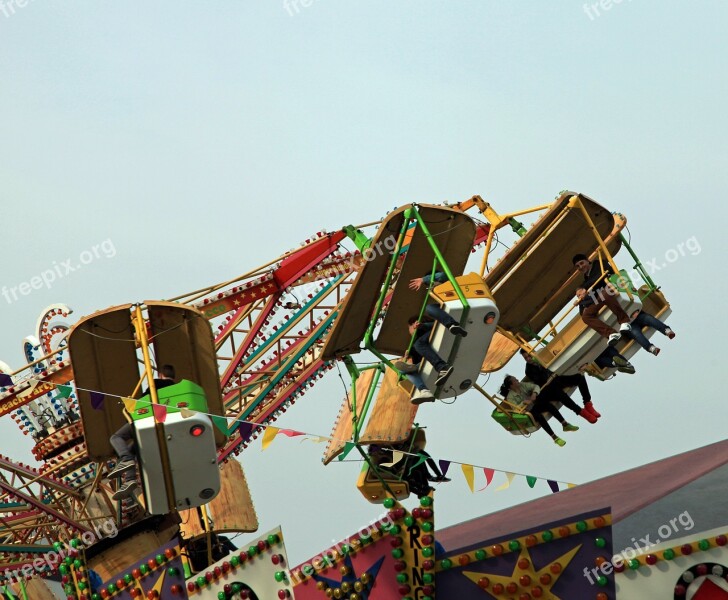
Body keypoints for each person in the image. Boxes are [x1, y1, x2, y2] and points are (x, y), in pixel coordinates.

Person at [108, 364, 176, 500]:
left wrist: (131, 403)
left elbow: (142, 403)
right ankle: (130, 479)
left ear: (160, 375)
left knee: (116, 437)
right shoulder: (177, 389)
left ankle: (126, 461)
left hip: (149, 419)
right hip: (167, 423)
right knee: (132, 449)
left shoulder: (155, 383)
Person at [500, 375, 592, 447]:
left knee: (548, 405)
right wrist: (523, 403)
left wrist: (534, 394)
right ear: (511, 385)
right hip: (527, 412)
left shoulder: (523, 385)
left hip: (534, 405)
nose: (517, 380)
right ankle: (554, 437)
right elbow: (515, 409)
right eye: (515, 380)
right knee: (538, 416)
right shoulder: (510, 397)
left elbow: (535, 386)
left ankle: (565, 424)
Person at [519, 349, 600, 420]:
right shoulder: (529, 370)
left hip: (557, 379)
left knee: (580, 376)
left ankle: (587, 403)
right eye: (526, 358)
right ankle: (580, 412)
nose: (528, 359)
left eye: (529, 356)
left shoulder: (543, 357)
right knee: (558, 393)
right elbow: (542, 380)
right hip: (548, 388)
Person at [573, 254, 632, 345]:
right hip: (601, 296)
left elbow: (600, 276)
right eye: (578, 266)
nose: (580, 267)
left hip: (613, 286)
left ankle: (625, 321)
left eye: (582, 263)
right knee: (586, 316)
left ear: (588, 260)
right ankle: (611, 334)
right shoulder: (586, 279)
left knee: (605, 293)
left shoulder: (599, 263)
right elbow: (590, 291)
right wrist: (581, 304)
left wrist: (582, 288)